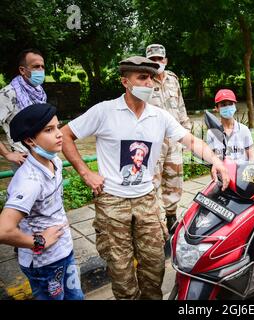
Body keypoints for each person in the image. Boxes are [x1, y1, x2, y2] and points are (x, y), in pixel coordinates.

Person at [60, 56, 229, 300]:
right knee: (121, 273)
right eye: (142, 77)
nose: (149, 83)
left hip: (147, 200)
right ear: (125, 82)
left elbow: (191, 140)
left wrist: (217, 161)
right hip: (112, 203)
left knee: (155, 267)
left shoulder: (159, 116)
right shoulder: (104, 111)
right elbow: (65, 135)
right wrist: (86, 173)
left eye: (151, 77)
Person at [0, 103, 84, 300]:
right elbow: (3, 230)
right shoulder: (29, 181)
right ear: (30, 140)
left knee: (76, 297)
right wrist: (38, 242)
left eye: (58, 126)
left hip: (63, 251)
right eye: (49, 130)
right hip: (44, 263)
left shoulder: (54, 161)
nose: (59, 133)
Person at [146, 44, 192, 231]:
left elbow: (180, 105)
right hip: (153, 140)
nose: (157, 62)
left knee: (175, 179)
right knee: (152, 181)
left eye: (159, 59)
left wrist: (186, 129)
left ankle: (171, 217)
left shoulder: (173, 79)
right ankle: (153, 222)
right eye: (153, 60)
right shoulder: (144, 81)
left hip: (174, 139)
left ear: (165, 60)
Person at [0, 49, 47, 168]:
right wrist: (7, 154)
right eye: (36, 66)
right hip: (24, 159)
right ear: (22, 70)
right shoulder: (8, 93)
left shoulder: (40, 92)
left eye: (42, 66)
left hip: (44, 153)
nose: (41, 70)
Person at [206, 89, 254, 163]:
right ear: (216, 108)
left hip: (243, 172)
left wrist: (251, 170)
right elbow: (212, 159)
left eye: (230, 104)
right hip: (222, 173)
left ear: (235, 106)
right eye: (223, 105)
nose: (228, 107)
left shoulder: (244, 130)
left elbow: (251, 157)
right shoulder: (211, 133)